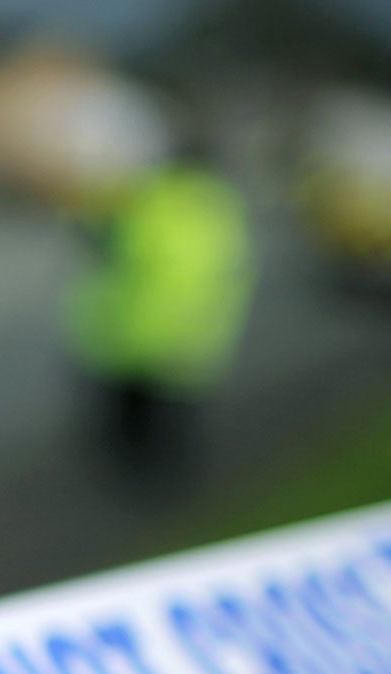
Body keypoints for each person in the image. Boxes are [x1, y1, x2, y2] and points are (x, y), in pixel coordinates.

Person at [64, 137, 253, 482]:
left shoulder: (148, 199)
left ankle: (139, 482)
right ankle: (172, 485)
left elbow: (99, 237)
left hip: (132, 334)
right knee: (175, 424)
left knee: (129, 428)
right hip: (194, 334)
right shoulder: (220, 202)